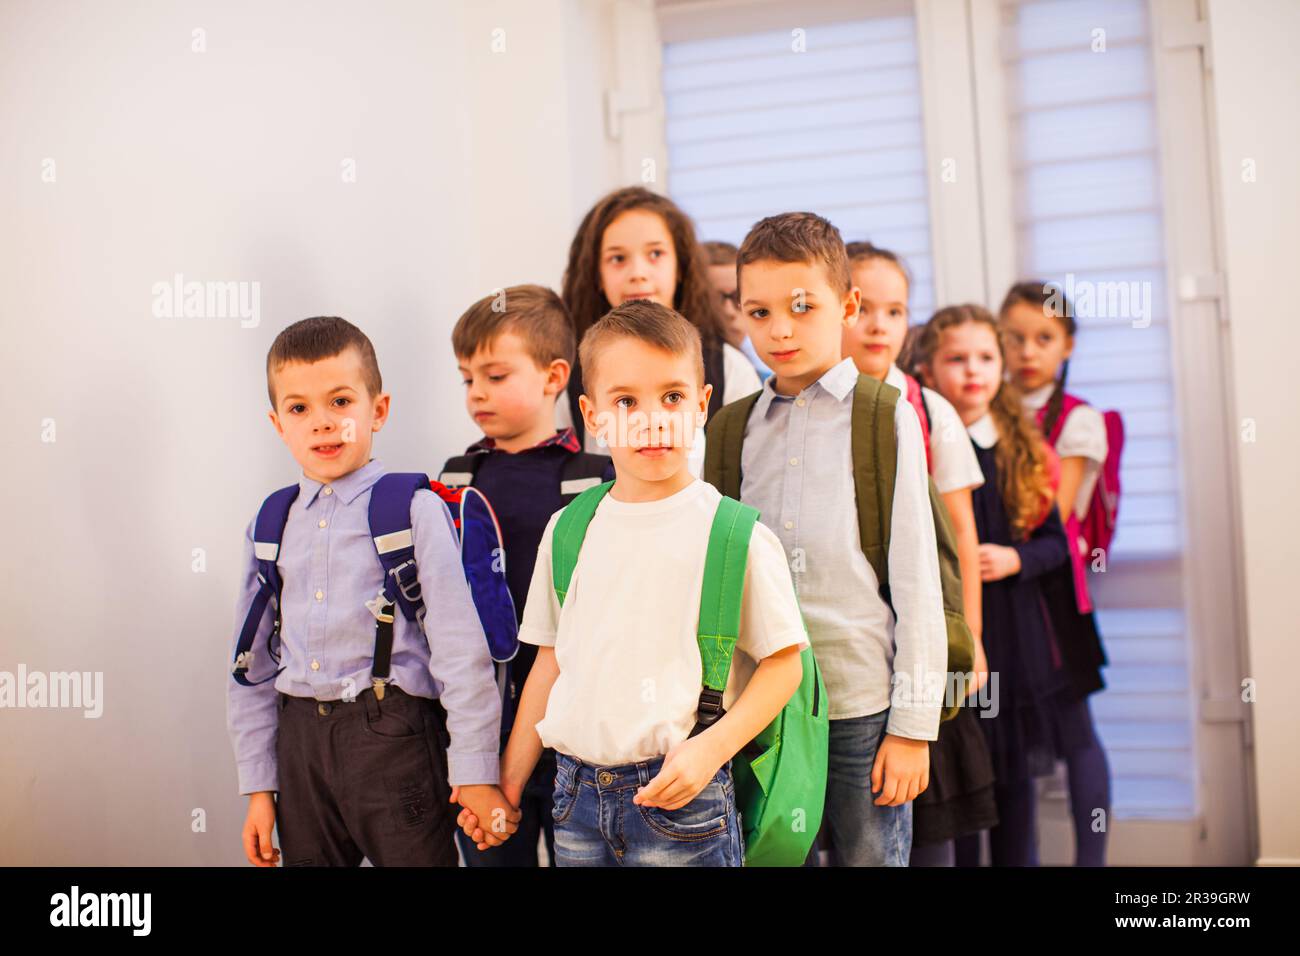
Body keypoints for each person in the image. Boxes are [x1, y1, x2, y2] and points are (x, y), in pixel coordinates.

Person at [227, 316, 515, 866]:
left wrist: (475, 771)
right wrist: (259, 791)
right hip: (299, 746)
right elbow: (249, 669)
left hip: (394, 736)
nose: (322, 424)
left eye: (340, 402)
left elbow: (460, 651)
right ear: (277, 424)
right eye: (299, 409)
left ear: (377, 410)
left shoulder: (413, 509)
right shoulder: (269, 523)